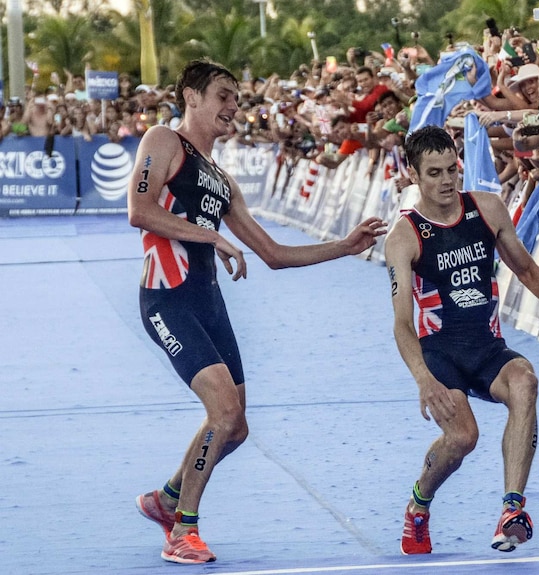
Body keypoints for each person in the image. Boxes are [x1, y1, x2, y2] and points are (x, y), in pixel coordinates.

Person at [128, 58, 386, 565]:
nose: (233, 107)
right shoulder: (163, 141)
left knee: (237, 426)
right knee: (222, 413)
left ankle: (166, 498)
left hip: (207, 302)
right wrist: (210, 236)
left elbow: (273, 254)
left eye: (237, 99)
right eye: (224, 95)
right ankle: (184, 530)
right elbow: (139, 211)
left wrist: (345, 246)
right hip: (166, 298)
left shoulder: (223, 180)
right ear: (191, 96)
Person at [385, 126, 539, 555]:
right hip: (439, 353)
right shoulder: (403, 237)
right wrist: (424, 379)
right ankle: (418, 505)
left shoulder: (488, 209)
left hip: (487, 348)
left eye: (452, 170)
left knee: (526, 382)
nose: (446, 181)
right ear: (413, 175)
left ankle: (512, 509)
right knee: (462, 438)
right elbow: (402, 323)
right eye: (434, 173)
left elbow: (526, 269)